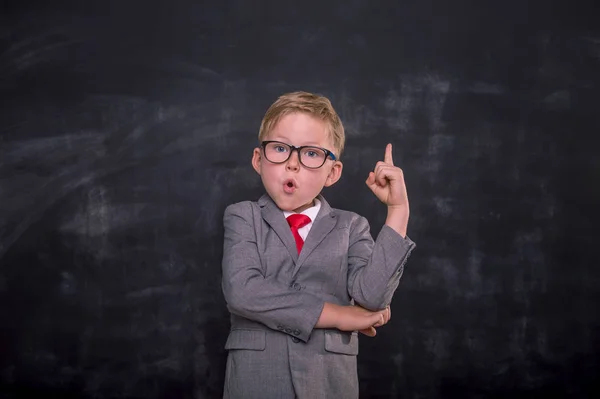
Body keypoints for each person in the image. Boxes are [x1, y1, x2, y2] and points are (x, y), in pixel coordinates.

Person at [221, 91, 416, 398]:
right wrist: (339, 315)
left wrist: (398, 211)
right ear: (259, 159)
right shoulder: (242, 216)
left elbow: (372, 298)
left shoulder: (352, 226)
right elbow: (243, 291)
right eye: (280, 148)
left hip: (327, 383)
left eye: (311, 153)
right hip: (257, 381)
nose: (292, 164)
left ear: (332, 172)